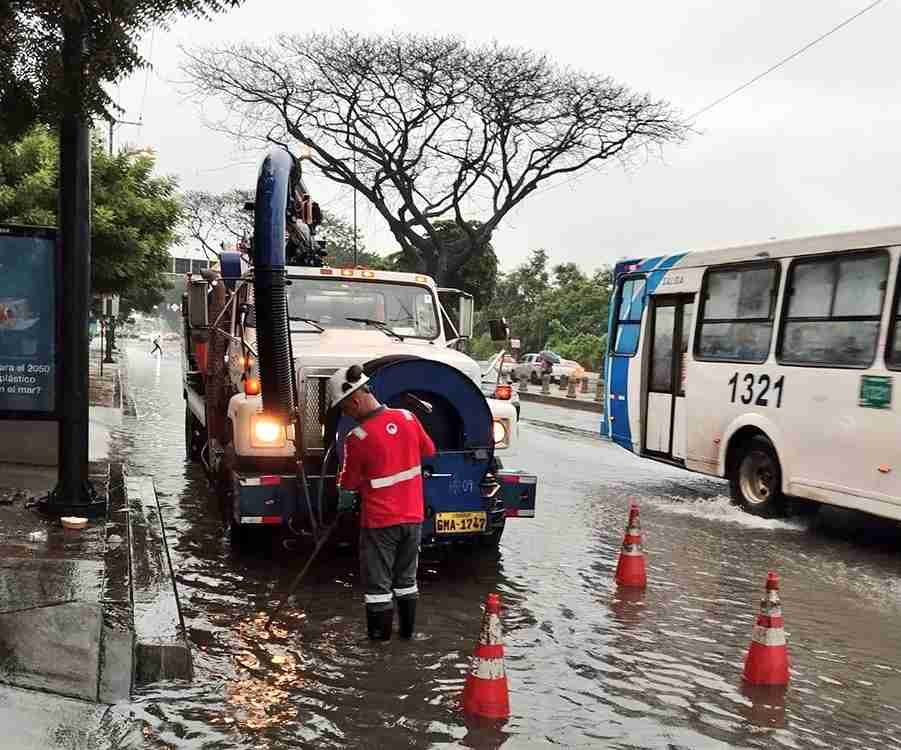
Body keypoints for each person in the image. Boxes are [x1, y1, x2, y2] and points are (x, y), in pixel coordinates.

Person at [329, 364, 436, 641]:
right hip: (413, 519)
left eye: (344, 409)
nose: (346, 415)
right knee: (406, 581)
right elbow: (430, 450)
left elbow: (349, 484)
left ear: (354, 400)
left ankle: (379, 651)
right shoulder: (409, 417)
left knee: (378, 587)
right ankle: (407, 637)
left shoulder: (358, 438)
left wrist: (343, 500)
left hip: (380, 523)